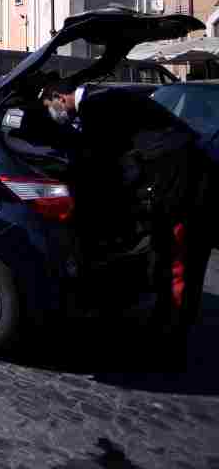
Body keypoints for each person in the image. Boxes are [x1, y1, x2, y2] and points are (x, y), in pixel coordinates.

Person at [41, 79, 213, 358]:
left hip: (182, 179)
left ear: (59, 96)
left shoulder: (97, 106)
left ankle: (172, 338)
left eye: (49, 106)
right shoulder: (101, 99)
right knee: (169, 256)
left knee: (179, 258)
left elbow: (105, 158)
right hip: (175, 173)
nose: (54, 112)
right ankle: (166, 324)